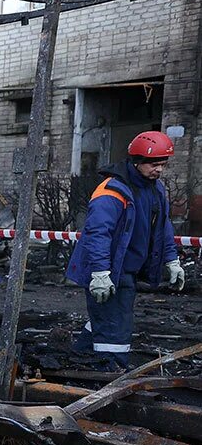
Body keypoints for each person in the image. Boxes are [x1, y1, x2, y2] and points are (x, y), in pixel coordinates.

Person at [66, 131, 186, 368]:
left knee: (105, 317)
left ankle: (77, 359)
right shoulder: (111, 191)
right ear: (137, 161)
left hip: (126, 269)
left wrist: (172, 260)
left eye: (163, 164)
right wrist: (100, 273)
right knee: (115, 324)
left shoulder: (155, 190)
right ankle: (109, 369)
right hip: (107, 271)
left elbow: (163, 228)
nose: (159, 170)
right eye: (154, 164)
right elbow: (97, 233)